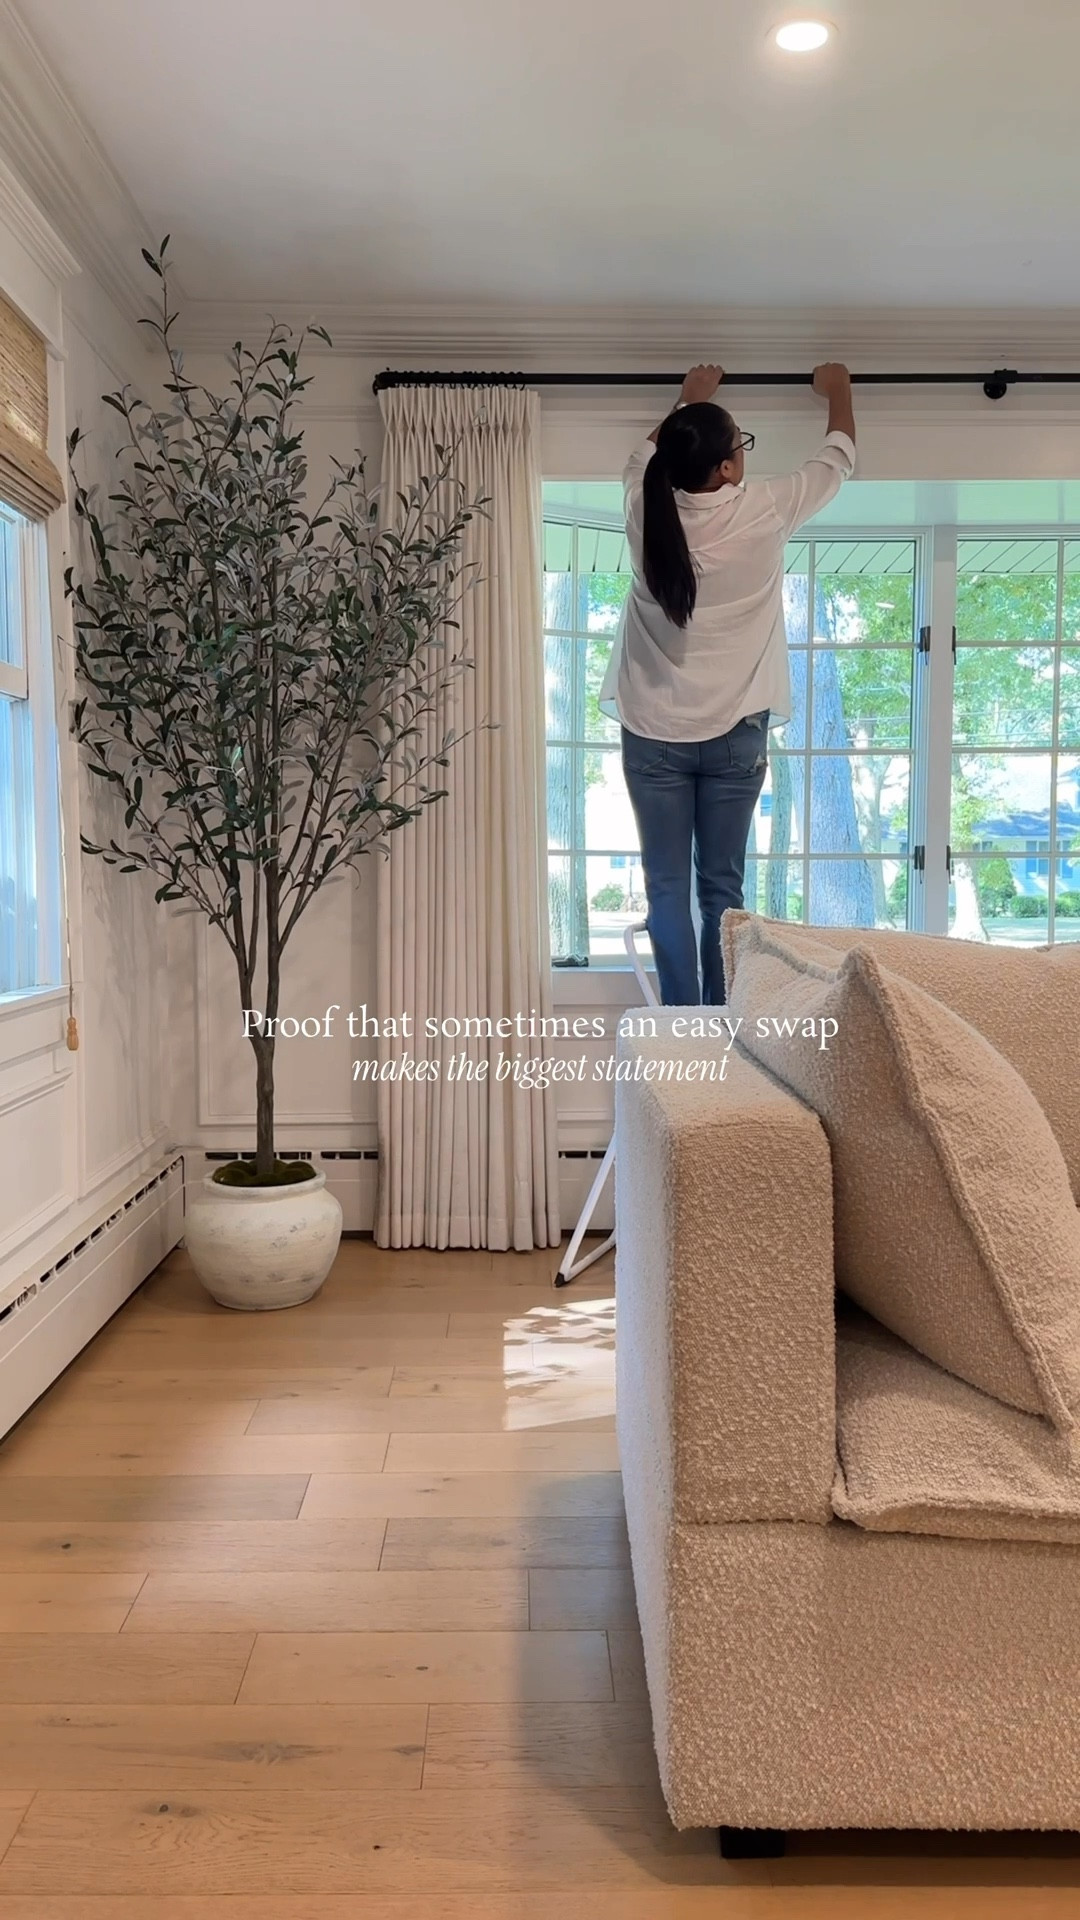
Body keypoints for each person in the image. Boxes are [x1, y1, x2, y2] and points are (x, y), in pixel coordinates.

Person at [600, 361, 856, 1005]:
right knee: (722, 887)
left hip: (653, 733)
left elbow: (647, 453)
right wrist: (839, 389)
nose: (742, 452)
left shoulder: (641, 508)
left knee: (665, 885)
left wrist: (687, 399)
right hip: (737, 736)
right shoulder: (766, 509)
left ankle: (682, 1020)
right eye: (739, 444)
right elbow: (838, 458)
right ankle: (720, 1019)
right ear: (725, 470)